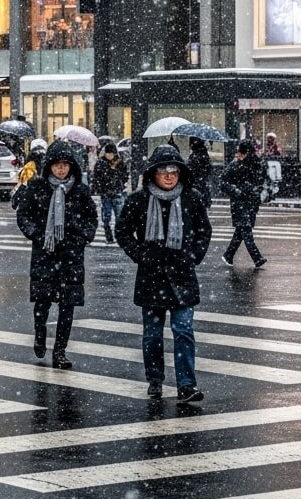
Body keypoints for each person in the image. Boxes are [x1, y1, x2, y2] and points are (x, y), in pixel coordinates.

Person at [115, 145, 213, 404]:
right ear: (153, 173)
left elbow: (204, 231)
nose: (169, 176)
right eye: (163, 171)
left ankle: (186, 385)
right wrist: (141, 254)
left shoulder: (191, 198)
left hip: (182, 275)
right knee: (153, 334)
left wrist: (193, 256)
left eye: (174, 170)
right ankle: (155, 379)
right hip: (151, 276)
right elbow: (122, 231)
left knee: (183, 331)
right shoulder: (139, 199)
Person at [16, 142, 98, 369]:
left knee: (67, 306)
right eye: (57, 165)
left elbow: (91, 217)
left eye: (65, 165)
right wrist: (37, 235)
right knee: (42, 303)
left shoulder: (80, 190)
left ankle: (60, 350)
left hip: (71, 256)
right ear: (49, 166)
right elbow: (24, 215)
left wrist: (83, 236)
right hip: (45, 253)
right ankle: (40, 334)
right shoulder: (37, 187)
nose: (61, 169)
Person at [219, 139, 267, 268]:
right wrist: (237, 190)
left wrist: (253, 190)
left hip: (248, 203)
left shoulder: (256, 164)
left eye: (240, 151)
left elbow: (261, 181)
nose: (238, 154)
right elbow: (222, 182)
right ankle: (257, 258)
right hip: (241, 203)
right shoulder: (237, 165)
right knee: (245, 230)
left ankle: (228, 255)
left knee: (241, 231)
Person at [91, 142, 128, 243]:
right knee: (106, 216)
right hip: (106, 193)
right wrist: (98, 188)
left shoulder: (120, 163)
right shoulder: (101, 163)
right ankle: (109, 236)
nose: (109, 155)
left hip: (117, 192)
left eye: (111, 153)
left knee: (119, 216)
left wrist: (117, 179)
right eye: (107, 153)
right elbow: (97, 177)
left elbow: (124, 176)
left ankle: (119, 235)